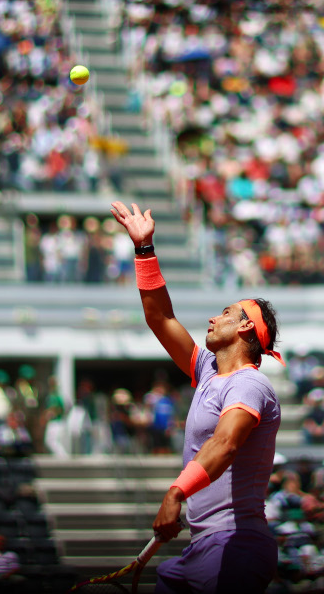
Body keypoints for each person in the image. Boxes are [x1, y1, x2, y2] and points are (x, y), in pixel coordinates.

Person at [110, 200, 281, 594]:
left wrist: (176, 492)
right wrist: (143, 249)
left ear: (245, 329)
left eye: (224, 312)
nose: (212, 318)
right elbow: (161, 318)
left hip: (236, 544)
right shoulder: (207, 369)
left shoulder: (250, 384)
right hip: (199, 549)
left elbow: (225, 444)